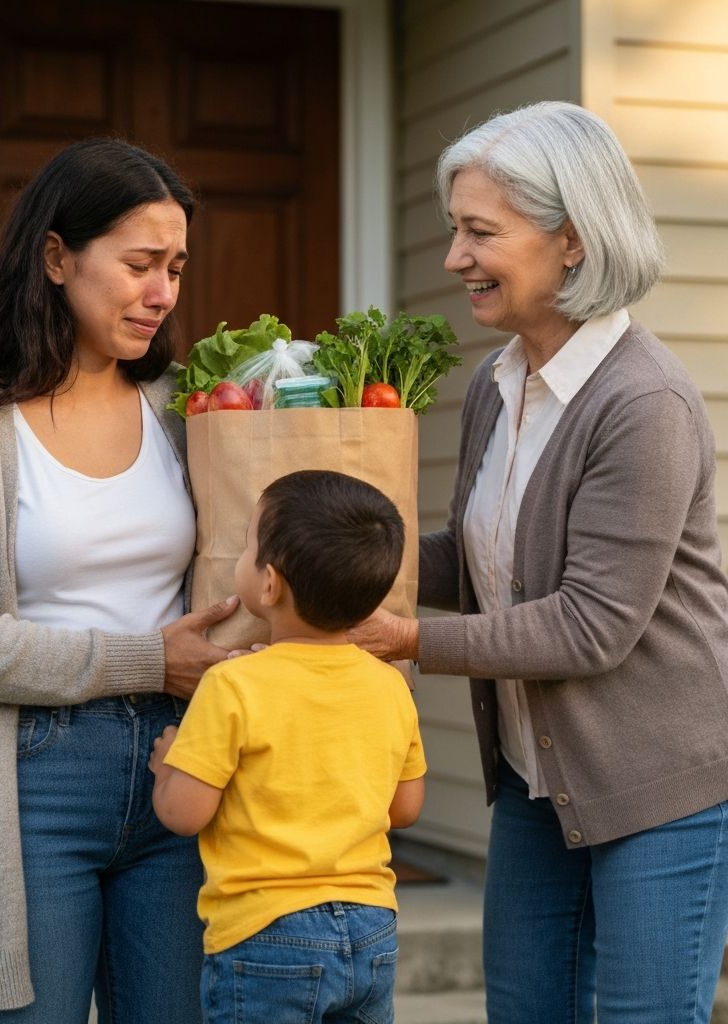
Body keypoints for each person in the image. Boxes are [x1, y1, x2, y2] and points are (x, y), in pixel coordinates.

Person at [349, 100, 728, 1023]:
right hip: (536, 776)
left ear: (572, 241)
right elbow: (475, 563)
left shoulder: (643, 404)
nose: (453, 258)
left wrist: (402, 640)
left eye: (481, 232)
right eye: (454, 230)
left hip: (659, 784)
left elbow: (591, 624)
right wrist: (330, 553)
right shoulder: (497, 381)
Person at [0, 138, 242, 1024]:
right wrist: (145, 662)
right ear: (55, 258)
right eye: (140, 265)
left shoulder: (181, 412)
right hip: (28, 779)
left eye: (177, 268)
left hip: (178, 772)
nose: (164, 294)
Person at [149, 469, 427, 1024]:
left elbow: (184, 814)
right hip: (372, 927)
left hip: (266, 933)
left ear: (270, 584)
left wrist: (168, 766)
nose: (243, 550)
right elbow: (405, 809)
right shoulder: (389, 683)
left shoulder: (234, 684)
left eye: (248, 542)